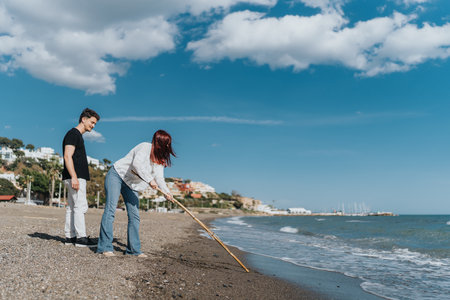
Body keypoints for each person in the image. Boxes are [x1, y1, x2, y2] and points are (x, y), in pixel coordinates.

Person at [96, 130, 175, 257]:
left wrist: (167, 193)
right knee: (111, 209)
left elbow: (160, 178)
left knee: (134, 216)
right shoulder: (145, 147)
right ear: (158, 142)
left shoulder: (160, 160)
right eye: (165, 143)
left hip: (132, 185)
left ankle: (133, 250)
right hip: (117, 175)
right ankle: (105, 247)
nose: (167, 146)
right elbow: (136, 164)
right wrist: (150, 180)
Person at [62, 108, 100, 247]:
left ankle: (70, 237)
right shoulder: (74, 134)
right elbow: (67, 156)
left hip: (72, 176)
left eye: (95, 123)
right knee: (80, 206)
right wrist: (74, 177)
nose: (93, 126)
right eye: (92, 122)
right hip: (75, 176)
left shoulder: (76, 135)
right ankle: (81, 238)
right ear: (84, 119)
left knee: (72, 207)